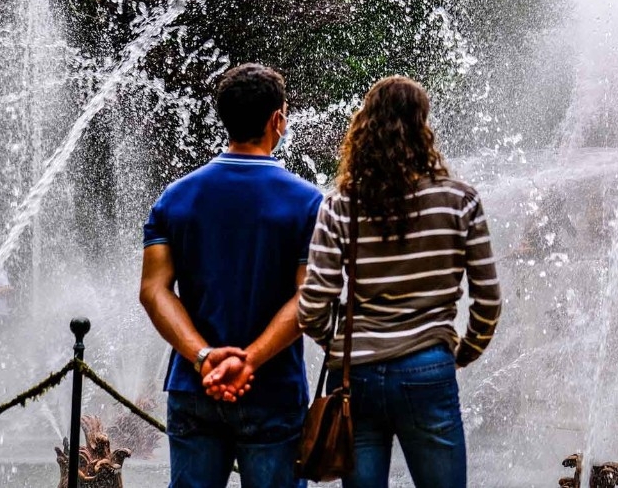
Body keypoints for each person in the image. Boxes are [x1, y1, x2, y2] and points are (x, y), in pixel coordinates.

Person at [298, 75, 501, 488]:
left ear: (365, 126)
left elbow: (313, 303)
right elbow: (488, 299)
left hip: (357, 376)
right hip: (428, 366)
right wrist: (462, 351)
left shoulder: (341, 205)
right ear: (424, 126)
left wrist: (337, 346)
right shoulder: (460, 200)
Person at [140, 63, 323, 488]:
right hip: (273, 388)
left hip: (193, 385)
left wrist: (205, 358)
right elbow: (309, 296)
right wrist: (249, 360)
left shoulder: (175, 197)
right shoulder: (307, 203)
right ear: (277, 119)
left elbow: (153, 291)